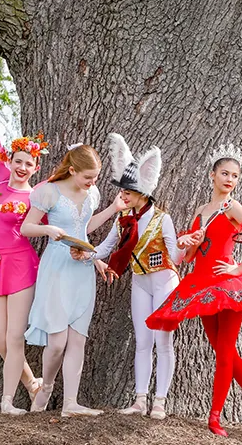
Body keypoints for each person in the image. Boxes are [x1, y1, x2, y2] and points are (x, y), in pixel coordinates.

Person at [146, 143, 242, 439]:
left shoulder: (232, 207)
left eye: (234, 175)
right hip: (202, 284)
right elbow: (193, 256)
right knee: (224, 351)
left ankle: (215, 416)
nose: (230, 179)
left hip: (229, 286)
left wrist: (239, 269)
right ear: (212, 175)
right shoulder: (201, 210)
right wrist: (186, 243)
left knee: (224, 354)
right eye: (224, 173)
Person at [76, 133, 181, 419]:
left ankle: (159, 400)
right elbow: (107, 246)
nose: (123, 195)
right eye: (122, 191)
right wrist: (87, 254)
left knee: (163, 342)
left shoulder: (162, 218)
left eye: (128, 192)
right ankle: (140, 399)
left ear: (142, 192)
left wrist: (186, 245)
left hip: (164, 281)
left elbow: (176, 256)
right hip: (139, 282)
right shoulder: (123, 219)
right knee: (143, 341)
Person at [21, 143, 126, 416]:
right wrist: (48, 229)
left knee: (78, 338)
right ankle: (45, 388)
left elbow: (85, 228)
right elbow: (26, 228)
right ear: (72, 170)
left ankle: (71, 403)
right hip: (57, 266)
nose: (93, 182)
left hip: (81, 267)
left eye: (96, 177)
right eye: (88, 177)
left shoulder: (93, 193)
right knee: (56, 343)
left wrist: (113, 208)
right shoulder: (48, 191)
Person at [0, 114, 47, 414]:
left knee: (14, 337)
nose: (22, 167)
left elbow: (61, 222)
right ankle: (32, 384)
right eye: (18, 161)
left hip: (22, 265)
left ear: (35, 168)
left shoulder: (36, 197)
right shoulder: (1, 182)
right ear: (11, 162)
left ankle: (7, 402)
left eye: (28, 164)